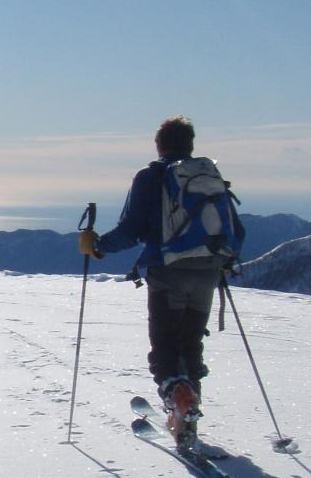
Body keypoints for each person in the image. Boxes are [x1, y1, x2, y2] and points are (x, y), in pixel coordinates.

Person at [79, 116, 238, 439]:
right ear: (190, 144)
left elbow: (131, 230)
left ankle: (180, 401)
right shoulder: (209, 175)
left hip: (168, 273)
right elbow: (235, 227)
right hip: (208, 272)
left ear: (159, 145)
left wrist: (97, 247)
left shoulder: (151, 177)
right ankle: (187, 413)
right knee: (191, 343)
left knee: (165, 347)